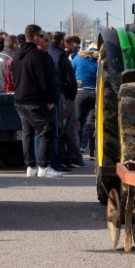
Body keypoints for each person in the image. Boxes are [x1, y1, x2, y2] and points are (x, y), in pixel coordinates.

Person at [12, 24, 64, 178]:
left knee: (27, 133)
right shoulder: (39, 56)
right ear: (35, 37)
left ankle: (31, 166)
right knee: (47, 130)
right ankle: (44, 166)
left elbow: (14, 78)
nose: (45, 40)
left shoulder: (17, 56)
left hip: (20, 100)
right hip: (35, 100)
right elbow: (47, 80)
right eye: (42, 36)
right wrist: (52, 99)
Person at [49, 32, 83, 169]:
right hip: (64, 96)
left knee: (57, 128)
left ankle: (61, 156)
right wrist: (72, 96)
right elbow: (70, 80)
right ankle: (75, 157)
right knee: (69, 127)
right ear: (61, 41)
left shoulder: (46, 54)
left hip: (51, 96)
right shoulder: (61, 57)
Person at [73, 43, 99, 156]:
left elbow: (71, 71)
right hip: (95, 93)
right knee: (92, 122)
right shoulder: (99, 60)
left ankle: (77, 148)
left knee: (78, 121)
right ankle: (93, 150)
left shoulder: (78, 58)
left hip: (81, 92)